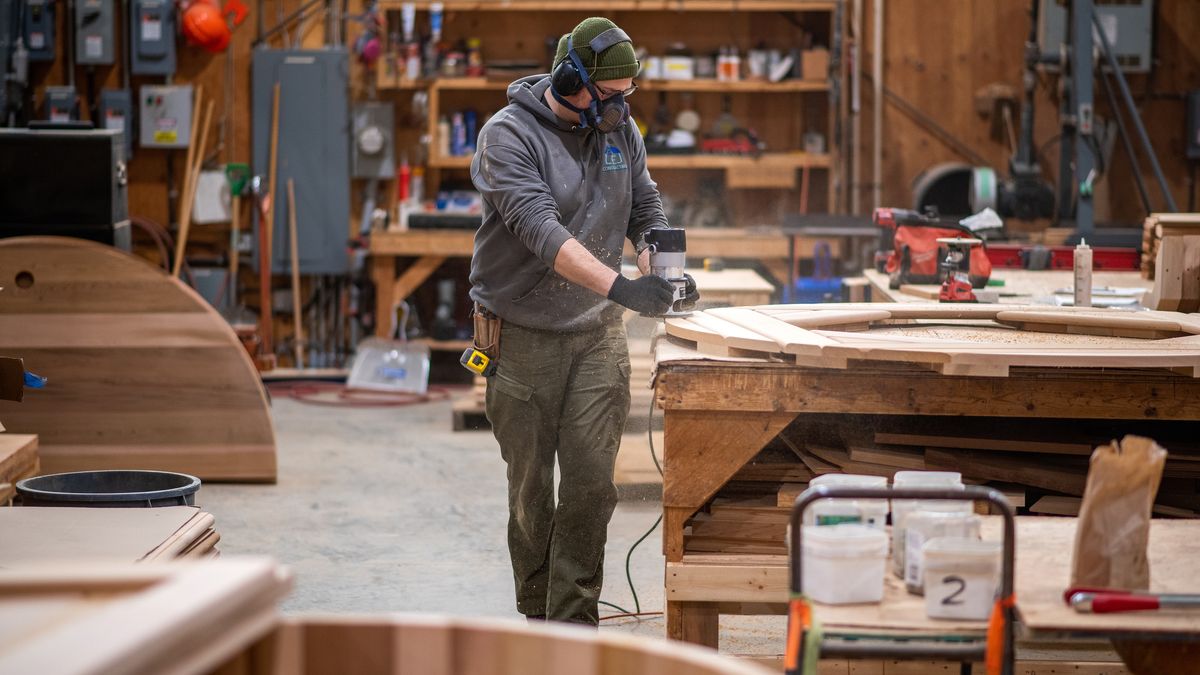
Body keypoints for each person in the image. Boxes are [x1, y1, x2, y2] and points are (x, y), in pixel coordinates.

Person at [468, 16, 696, 626]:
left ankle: (574, 626)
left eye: (630, 94)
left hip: (597, 336)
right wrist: (624, 287)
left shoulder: (620, 130)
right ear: (570, 79)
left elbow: (644, 206)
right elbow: (545, 233)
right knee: (533, 491)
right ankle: (536, 619)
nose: (623, 107)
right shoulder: (507, 136)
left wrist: (658, 262)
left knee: (594, 486)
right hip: (520, 338)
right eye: (612, 94)